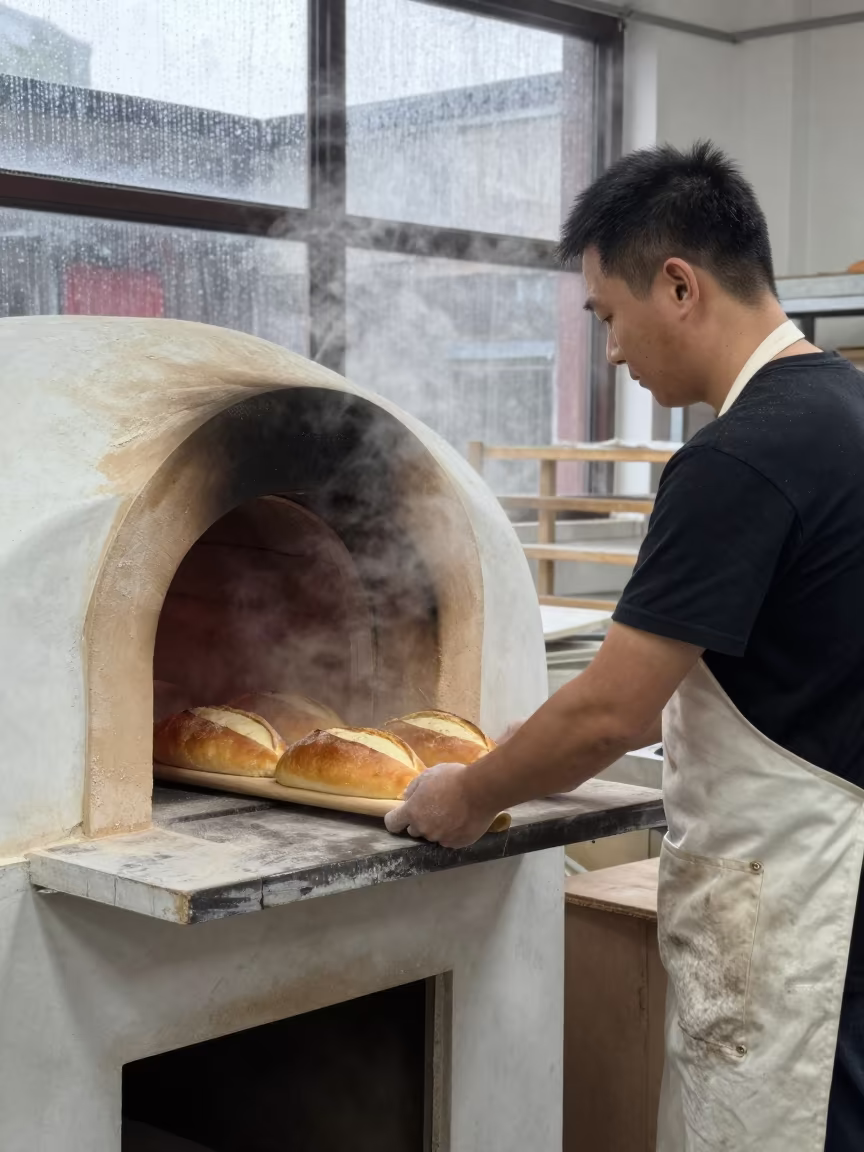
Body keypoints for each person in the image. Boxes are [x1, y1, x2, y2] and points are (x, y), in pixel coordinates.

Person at [385, 141, 864, 1151]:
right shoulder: (846, 411)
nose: (609, 352)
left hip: (805, 907)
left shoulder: (738, 458)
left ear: (679, 286)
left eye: (607, 316)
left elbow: (612, 709)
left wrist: (466, 794)